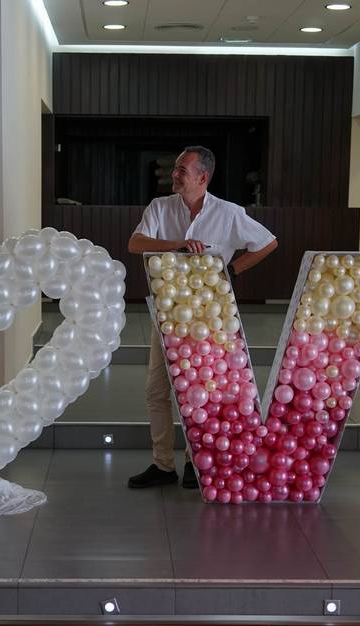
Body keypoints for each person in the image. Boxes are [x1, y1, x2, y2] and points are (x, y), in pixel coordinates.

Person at [127, 146, 278, 490]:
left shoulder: (229, 213)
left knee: (201, 391)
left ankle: (196, 462)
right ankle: (162, 465)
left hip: (210, 318)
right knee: (157, 389)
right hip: (166, 314)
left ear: (202, 177)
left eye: (182, 169)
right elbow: (135, 243)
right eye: (177, 169)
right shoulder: (159, 207)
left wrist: (232, 272)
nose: (175, 174)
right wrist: (176, 244)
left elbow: (268, 243)